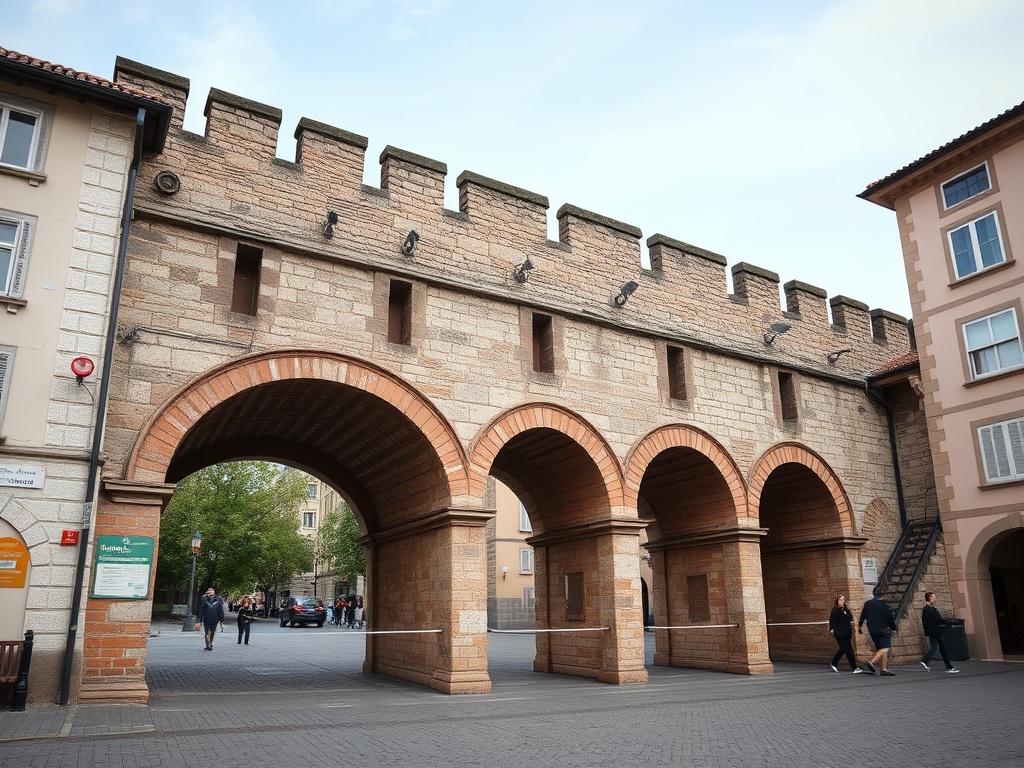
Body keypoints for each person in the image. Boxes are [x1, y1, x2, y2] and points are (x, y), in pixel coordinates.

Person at [858, 589, 897, 675]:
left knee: (880, 649)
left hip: (872, 629)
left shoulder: (868, 603)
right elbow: (889, 617)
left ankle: (884, 669)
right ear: (882, 596)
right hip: (883, 628)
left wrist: (860, 626)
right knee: (885, 648)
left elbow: (863, 615)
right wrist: (893, 627)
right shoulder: (883, 604)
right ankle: (872, 661)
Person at [919, 592, 960, 673]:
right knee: (942, 649)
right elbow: (938, 619)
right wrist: (945, 622)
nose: (935, 599)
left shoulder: (929, 609)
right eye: (934, 598)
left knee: (935, 647)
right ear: (930, 598)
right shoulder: (929, 610)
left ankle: (925, 661)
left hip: (933, 632)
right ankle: (949, 667)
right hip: (935, 631)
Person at [828, 595, 864, 673]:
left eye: (843, 600)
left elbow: (850, 617)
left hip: (847, 632)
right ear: (837, 601)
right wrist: (831, 629)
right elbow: (832, 620)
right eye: (840, 600)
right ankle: (834, 663)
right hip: (839, 632)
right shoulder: (835, 610)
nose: (842, 601)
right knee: (843, 648)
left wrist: (846, 615)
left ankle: (854, 667)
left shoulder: (846, 610)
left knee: (849, 650)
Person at [195, 586, 225, 651]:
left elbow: (220, 609)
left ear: (214, 592)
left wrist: (221, 619)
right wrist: (200, 619)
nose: (210, 593)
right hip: (206, 618)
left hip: (215, 618)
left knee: (212, 631)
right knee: (206, 632)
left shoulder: (218, 599)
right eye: (208, 592)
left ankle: (211, 642)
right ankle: (207, 644)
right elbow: (201, 609)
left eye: (211, 591)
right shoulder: (204, 599)